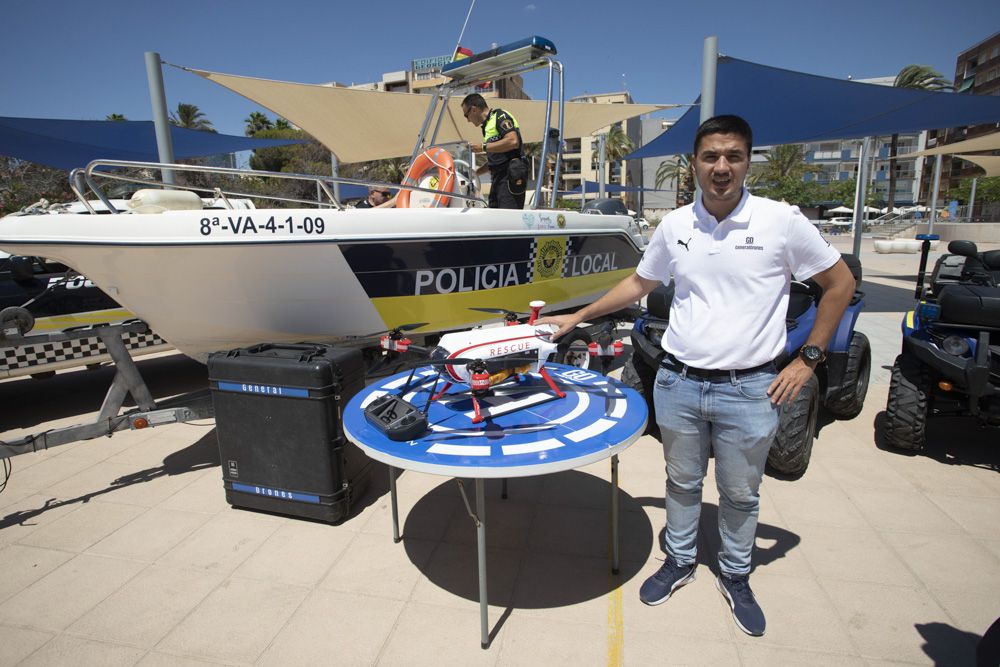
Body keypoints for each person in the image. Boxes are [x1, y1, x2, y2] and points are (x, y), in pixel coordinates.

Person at [538, 115, 855, 637]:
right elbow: (641, 282)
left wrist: (809, 359)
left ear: (749, 161)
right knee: (681, 484)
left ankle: (735, 573)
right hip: (679, 382)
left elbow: (839, 284)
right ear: (695, 164)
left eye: (733, 156)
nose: (722, 167)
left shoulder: (782, 222)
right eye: (711, 157)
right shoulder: (676, 225)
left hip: (751, 387)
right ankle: (679, 561)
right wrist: (574, 317)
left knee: (740, 493)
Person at [461, 93, 527, 209]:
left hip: (510, 176)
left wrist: (483, 147)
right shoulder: (486, 127)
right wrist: (475, 173)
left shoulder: (500, 116)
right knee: (493, 215)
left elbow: (513, 141)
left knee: (506, 219)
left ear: (474, 110)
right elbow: (496, 160)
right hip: (498, 179)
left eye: (466, 115)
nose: (467, 120)